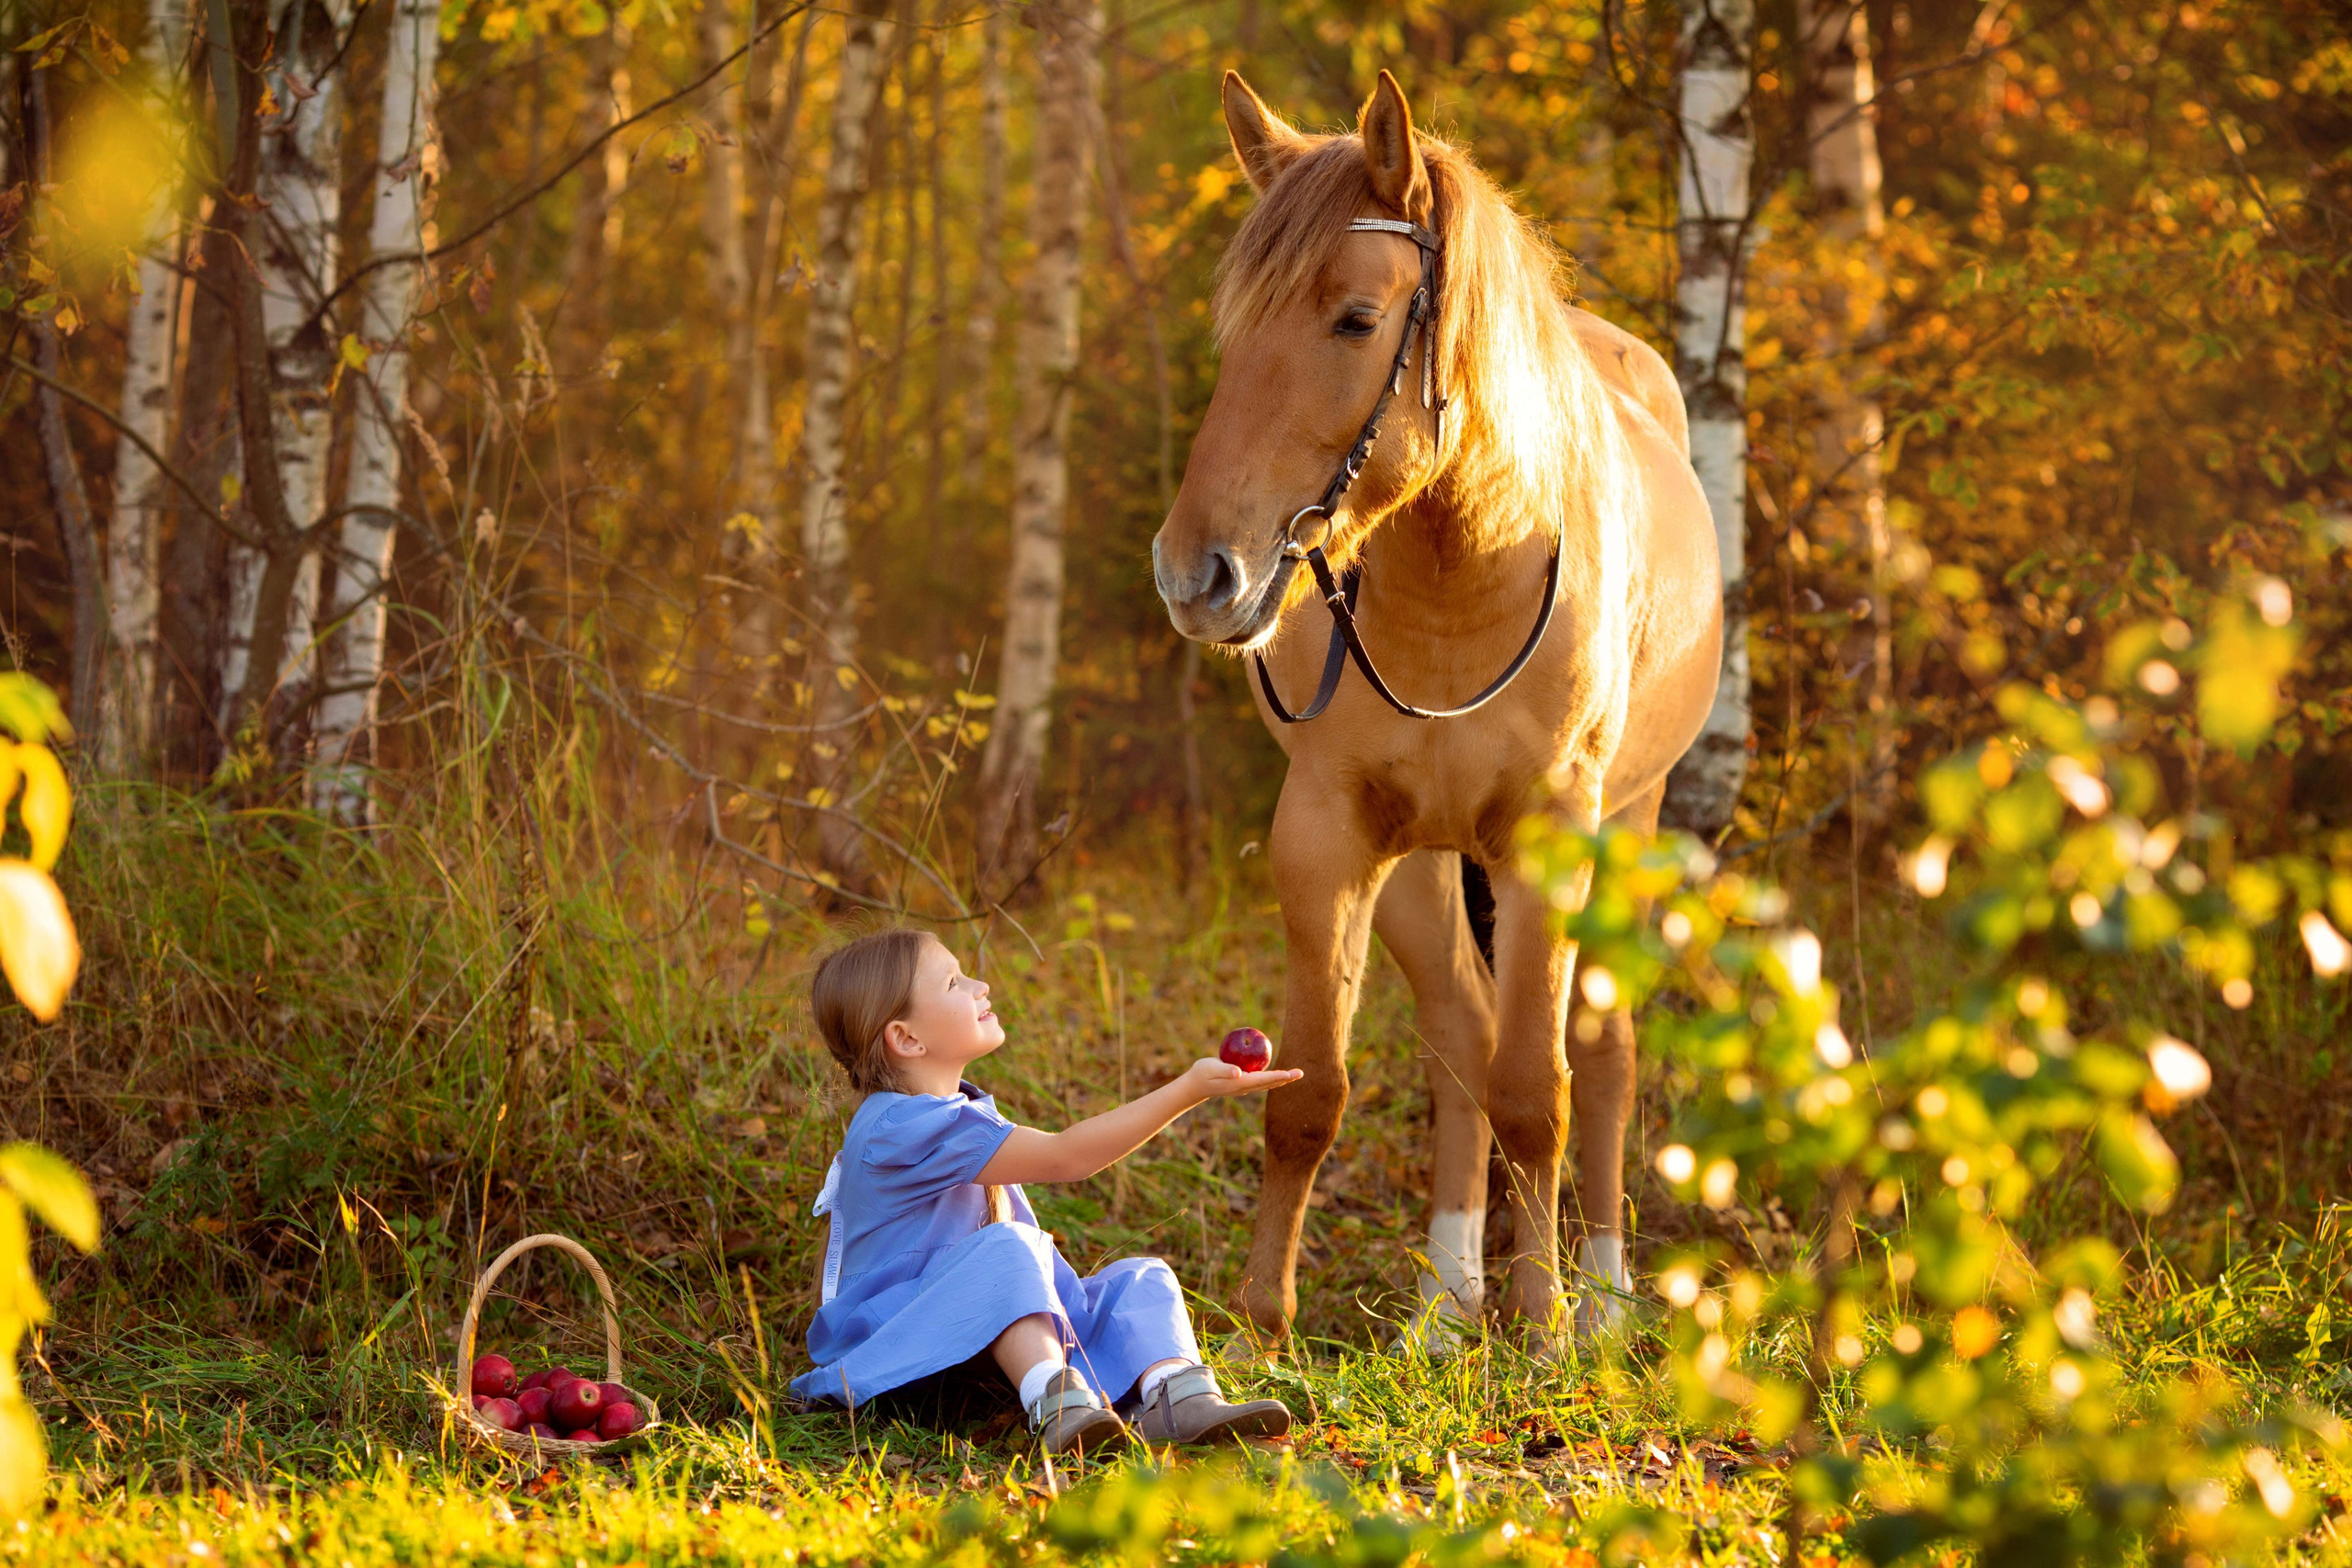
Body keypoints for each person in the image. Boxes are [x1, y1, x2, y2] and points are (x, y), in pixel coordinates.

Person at [793, 926, 1301, 1452]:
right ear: (907, 1039)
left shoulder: (951, 1114)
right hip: (896, 1348)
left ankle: (1177, 1395)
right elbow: (1069, 1156)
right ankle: (1056, 1402)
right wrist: (1189, 1089)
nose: (981, 985)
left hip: (970, 1338)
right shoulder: (897, 1126)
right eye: (953, 982)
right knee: (1008, 1246)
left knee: (1140, 1278)